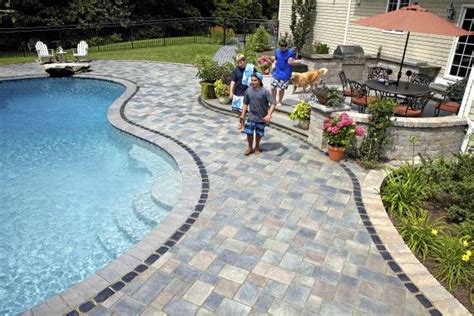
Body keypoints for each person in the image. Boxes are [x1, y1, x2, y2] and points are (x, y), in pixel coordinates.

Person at [239, 72, 276, 156]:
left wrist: (269, 115)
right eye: (252, 80)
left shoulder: (265, 92)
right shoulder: (248, 90)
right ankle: (250, 147)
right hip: (251, 116)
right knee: (249, 132)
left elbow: (273, 103)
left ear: (259, 81)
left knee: (259, 133)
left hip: (261, 118)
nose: (252, 82)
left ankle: (257, 147)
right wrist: (242, 115)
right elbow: (245, 103)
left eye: (255, 80)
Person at [271, 39, 297, 107]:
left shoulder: (291, 53)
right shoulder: (277, 51)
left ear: (286, 46)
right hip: (277, 71)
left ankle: (280, 101)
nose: (282, 49)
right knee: (273, 87)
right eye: (280, 48)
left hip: (285, 73)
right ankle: (274, 100)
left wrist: (292, 62)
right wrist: (274, 64)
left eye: (283, 48)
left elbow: (294, 62)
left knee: (281, 88)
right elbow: (276, 59)